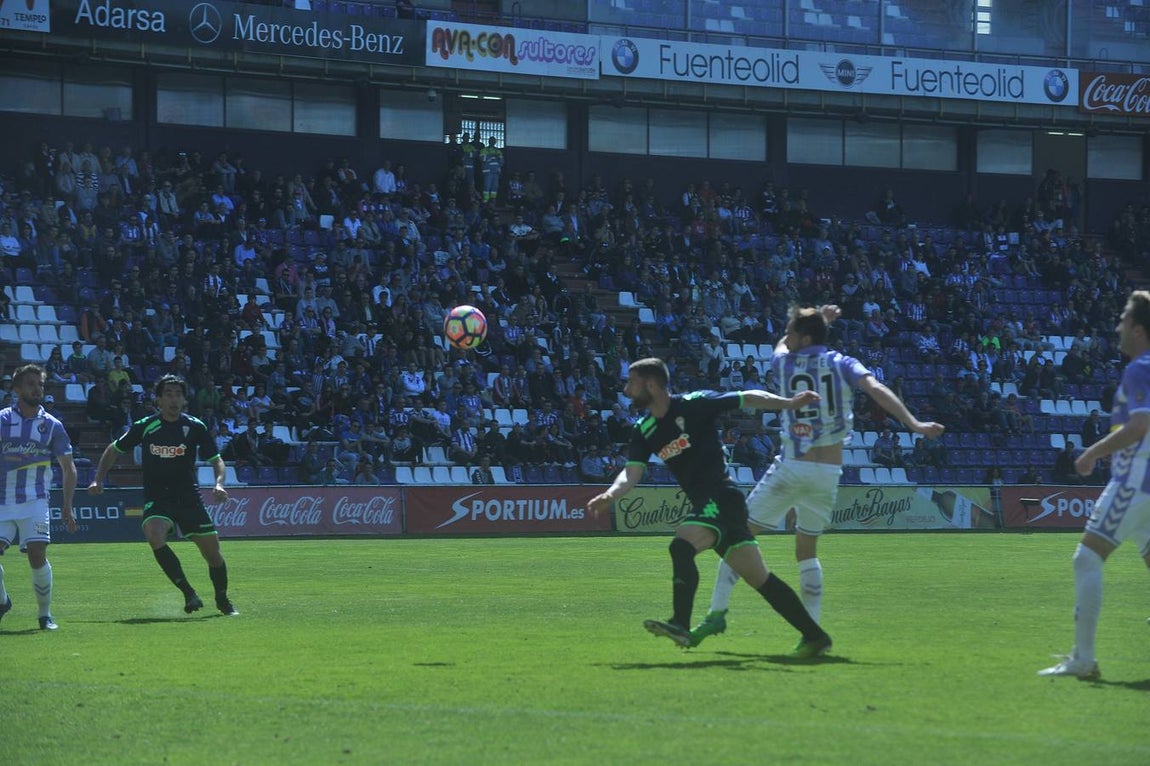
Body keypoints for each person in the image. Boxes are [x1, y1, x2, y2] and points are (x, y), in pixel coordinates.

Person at [692, 306, 945, 646]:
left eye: (792, 331)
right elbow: (875, 388)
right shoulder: (843, 362)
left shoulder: (785, 363)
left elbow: (779, 346)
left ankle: (716, 615)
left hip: (793, 465)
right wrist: (914, 423)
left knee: (737, 539)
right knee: (807, 550)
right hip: (828, 472)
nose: (788, 336)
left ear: (804, 337)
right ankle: (810, 631)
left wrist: (818, 321)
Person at [586, 357, 833, 658]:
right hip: (713, 504)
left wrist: (789, 403)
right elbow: (632, 472)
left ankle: (680, 623)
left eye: (631, 382)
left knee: (682, 544)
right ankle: (815, 636)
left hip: (722, 496)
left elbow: (748, 397)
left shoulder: (694, 404)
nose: (625, 390)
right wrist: (611, 494)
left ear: (651, 384)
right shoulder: (644, 429)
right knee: (761, 579)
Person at [1040, 291, 1150, 679]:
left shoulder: (1140, 368)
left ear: (1138, 328)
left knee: (1086, 559)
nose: (1117, 326)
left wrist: (1091, 454)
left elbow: (1139, 426)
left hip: (1136, 480)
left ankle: (1083, 659)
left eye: (1123, 319)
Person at [88, 374, 238, 617]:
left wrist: (219, 483)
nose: (173, 399)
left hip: (189, 497)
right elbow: (113, 449)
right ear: (158, 400)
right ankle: (189, 593)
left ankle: (222, 599)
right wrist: (98, 478)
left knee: (213, 554)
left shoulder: (195, 427)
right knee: (154, 535)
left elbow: (216, 460)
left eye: (178, 394)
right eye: (168, 394)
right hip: (158, 498)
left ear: (184, 400)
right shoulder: (146, 426)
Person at [0, 364, 77, 631]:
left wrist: (67, 506)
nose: (37, 389)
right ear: (17, 389)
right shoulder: (2, 420)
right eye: (31, 384)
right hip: (2, 501)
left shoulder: (52, 425)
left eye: (40, 384)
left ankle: (45, 615)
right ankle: (2, 601)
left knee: (36, 553)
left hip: (35, 500)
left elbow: (69, 468)